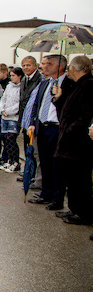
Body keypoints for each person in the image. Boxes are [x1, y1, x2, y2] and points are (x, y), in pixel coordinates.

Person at [27, 55, 75, 211]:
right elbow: (37, 104)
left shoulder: (69, 85)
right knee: (45, 162)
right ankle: (45, 193)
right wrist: (33, 123)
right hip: (42, 127)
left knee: (57, 165)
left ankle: (57, 198)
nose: (45, 66)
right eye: (45, 63)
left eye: (49, 64)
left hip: (57, 127)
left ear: (60, 66)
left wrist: (60, 96)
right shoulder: (45, 83)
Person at [52, 56, 93, 226]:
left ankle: (83, 213)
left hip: (77, 142)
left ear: (75, 68)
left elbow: (85, 114)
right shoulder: (78, 85)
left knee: (80, 180)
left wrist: (71, 130)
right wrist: (59, 97)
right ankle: (75, 208)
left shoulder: (88, 85)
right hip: (69, 141)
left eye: (69, 67)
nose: (68, 70)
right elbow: (66, 111)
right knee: (72, 179)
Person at [18, 56, 43, 188]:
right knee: (27, 148)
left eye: (28, 65)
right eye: (23, 65)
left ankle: (34, 176)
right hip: (25, 118)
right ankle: (28, 172)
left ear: (35, 65)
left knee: (34, 150)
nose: (26, 68)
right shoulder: (24, 79)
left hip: (33, 120)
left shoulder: (39, 79)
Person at [0, 67, 23, 172]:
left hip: (13, 117)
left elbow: (20, 103)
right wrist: (2, 109)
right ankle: (9, 160)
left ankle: (16, 162)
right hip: (4, 116)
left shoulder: (22, 88)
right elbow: (3, 98)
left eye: (13, 76)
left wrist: (8, 111)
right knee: (5, 139)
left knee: (11, 138)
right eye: (10, 75)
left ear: (19, 76)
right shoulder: (9, 86)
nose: (11, 78)